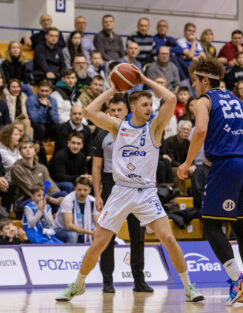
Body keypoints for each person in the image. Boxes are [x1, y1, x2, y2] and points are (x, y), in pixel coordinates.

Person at [55, 68, 204, 303]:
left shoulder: (155, 128)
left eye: (150, 105)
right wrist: (113, 89)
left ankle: (188, 286)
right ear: (132, 108)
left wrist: (144, 80)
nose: (149, 109)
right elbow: (89, 111)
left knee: (168, 238)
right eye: (144, 105)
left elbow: (172, 99)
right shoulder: (118, 127)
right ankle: (78, 285)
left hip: (146, 193)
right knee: (99, 244)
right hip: (121, 191)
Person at [177, 57, 243, 305]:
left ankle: (238, 281)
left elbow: (200, 130)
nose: (193, 85)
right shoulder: (236, 99)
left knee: (211, 226)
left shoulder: (203, 101)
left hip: (226, 165)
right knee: (241, 228)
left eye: (195, 81)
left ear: (204, 80)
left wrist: (186, 162)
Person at [90, 95, 152, 293]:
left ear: (127, 111)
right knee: (107, 235)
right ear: (108, 113)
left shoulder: (139, 132)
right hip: (110, 184)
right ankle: (108, 281)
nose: (115, 114)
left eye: (119, 110)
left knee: (138, 236)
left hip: (135, 184)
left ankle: (139, 281)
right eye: (112, 111)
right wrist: (98, 195)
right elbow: (96, 168)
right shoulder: (101, 135)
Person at [11, 141, 65, 215]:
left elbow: (50, 185)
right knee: (36, 202)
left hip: (44, 198)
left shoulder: (42, 167)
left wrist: (58, 199)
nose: (28, 149)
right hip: (26, 200)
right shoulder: (16, 168)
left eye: (30, 147)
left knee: (63, 195)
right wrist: (53, 200)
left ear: (34, 152)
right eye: (24, 148)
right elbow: (31, 189)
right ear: (20, 153)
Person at [53, 176, 98, 244]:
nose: (82, 192)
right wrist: (89, 232)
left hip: (83, 229)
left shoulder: (93, 201)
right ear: (75, 189)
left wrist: (96, 232)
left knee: (99, 234)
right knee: (73, 235)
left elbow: (97, 223)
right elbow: (69, 226)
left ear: (89, 190)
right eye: (79, 190)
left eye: (85, 190)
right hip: (60, 229)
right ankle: (70, 254)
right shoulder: (68, 200)